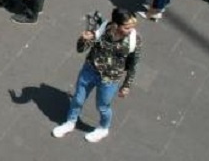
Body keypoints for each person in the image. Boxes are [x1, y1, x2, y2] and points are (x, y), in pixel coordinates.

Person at [51, 8, 141, 143]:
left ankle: (104, 128)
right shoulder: (102, 29)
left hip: (110, 79)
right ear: (115, 25)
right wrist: (83, 39)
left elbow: (133, 65)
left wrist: (126, 85)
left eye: (133, 26)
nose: (131, 30)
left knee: (103, 107)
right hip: (89, 71)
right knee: (78, 99)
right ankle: (70, 122)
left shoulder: (134, 40)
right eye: (127, 27)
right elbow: (80, 49)